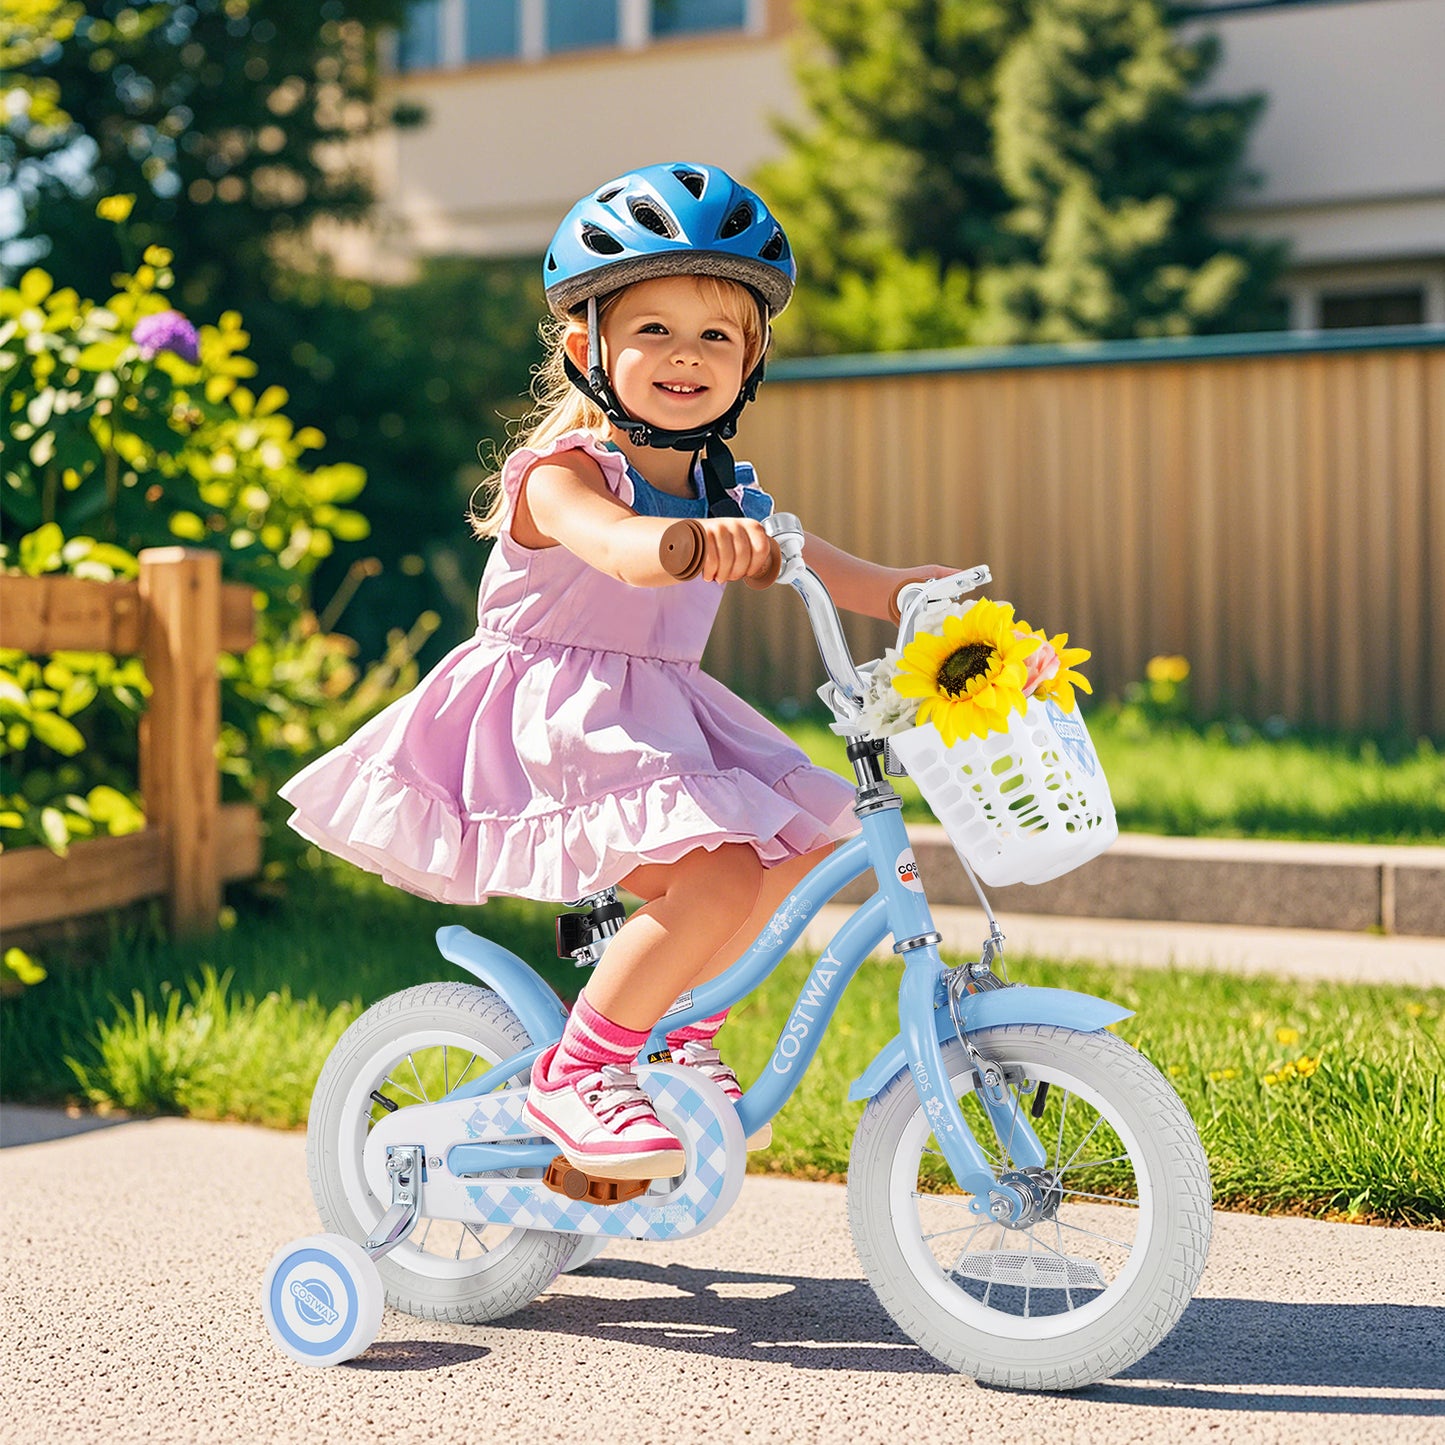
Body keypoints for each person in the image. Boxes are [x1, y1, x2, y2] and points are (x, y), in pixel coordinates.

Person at [280, 162, 954, 1180]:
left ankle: (677, 1032)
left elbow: (805, 555)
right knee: (718, 870)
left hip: (656, 712)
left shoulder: (725, 483)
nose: (686, 355)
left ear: (752, 357)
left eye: (715, 335)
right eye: (653, 330)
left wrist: (901, 588)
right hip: (552, 717)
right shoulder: (559, 476)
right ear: (584, 347)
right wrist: (677, 545)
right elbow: (615, 544)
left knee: (788, 855)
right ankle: (578, 1069)